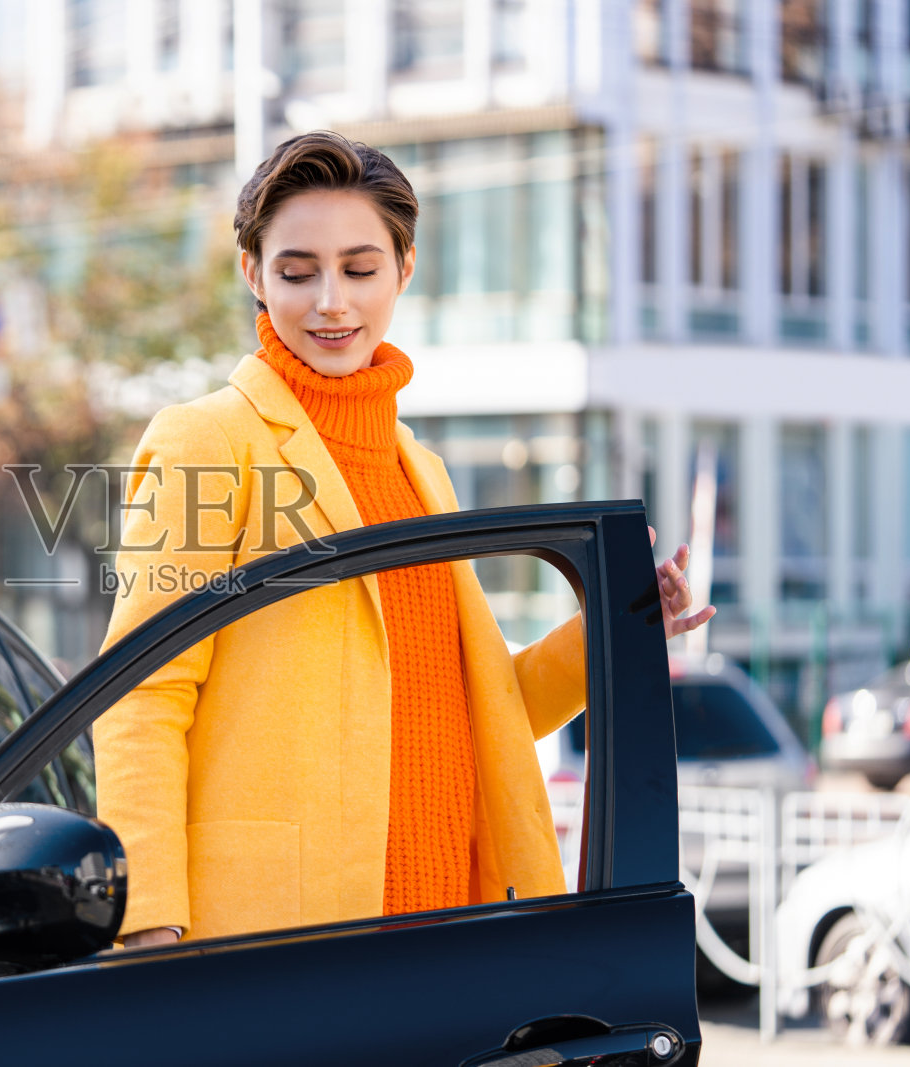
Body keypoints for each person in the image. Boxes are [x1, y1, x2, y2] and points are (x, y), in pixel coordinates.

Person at [93, 131, 712, 949]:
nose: (331, 302)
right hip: (279, 940)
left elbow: (482, 710)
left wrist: (618, 631)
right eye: (297, 272)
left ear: (405, 267)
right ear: (253, 273)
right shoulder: (208, 441)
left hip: (453, 928)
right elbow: (141, 694)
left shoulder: (421, 468)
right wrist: (148, 923)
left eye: (359, 268)